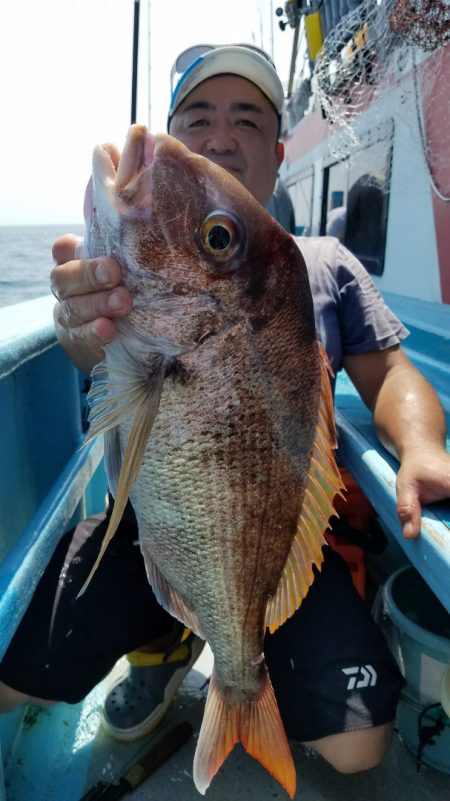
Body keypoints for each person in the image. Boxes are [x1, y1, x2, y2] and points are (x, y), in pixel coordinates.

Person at [1, 44, 449, 777]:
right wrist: (84, 326)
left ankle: (224, 656)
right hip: (146, 525)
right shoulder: (122, 278)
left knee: (358, 747)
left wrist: (423, 446)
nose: (219, 136)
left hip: (266, 541)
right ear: (175, 129)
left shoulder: (327, 262)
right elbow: (97, 358)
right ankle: (168, 637)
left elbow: (392, 372)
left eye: (246, 119)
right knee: (7, 679)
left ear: (277, 153)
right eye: (198, 117)